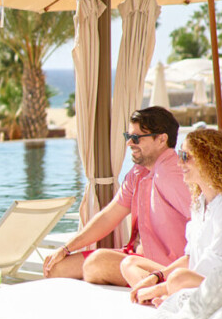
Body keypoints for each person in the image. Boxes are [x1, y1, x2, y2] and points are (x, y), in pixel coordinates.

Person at [43, 106, 190, 285]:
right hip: (138, 258)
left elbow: (202, 223)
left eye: (136, 138)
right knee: (56, 268)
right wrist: (65, 249)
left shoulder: (172, 173)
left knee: (96, 263)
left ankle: (155, 286)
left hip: (168, 267)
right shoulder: (139, 173)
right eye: (128, 136)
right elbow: (108, 217)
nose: (129, 143)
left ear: (161, 139)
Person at [131, 128, 222, 305]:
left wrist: (161, 287)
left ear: (208, 160)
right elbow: (190, 257)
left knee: (179, 278)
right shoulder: (200, 203)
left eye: (186, 156)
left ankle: (170, 296)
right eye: (180, 155)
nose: (180, 163)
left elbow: (221, 268)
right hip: (200, 281)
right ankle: (169, 296)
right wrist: (157, 277)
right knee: (131, 264)